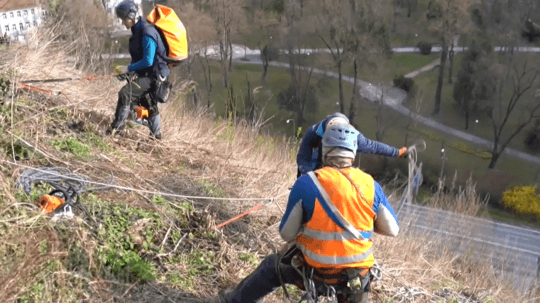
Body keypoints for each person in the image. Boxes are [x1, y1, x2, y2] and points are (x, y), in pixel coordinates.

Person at [218, 123, 400, 303]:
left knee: (271, 268)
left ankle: (233, 301)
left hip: (315, 273)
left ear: (325, 148)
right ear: (353, 152)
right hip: (356, 277)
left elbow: (286, 233)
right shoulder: (371, 186)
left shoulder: (307, 183)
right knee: (358, 289)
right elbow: (393, 230)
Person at [107, 0, 170, 139]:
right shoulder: (137, 31)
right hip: (148, 74)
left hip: (155, 76)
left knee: (125, 93)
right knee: (148, 103)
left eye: (123, 19)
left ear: (131, 16)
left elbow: (148, 60)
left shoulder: (147, 32)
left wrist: (128, 68)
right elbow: (139, 58)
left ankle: (116, 131)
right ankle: (156, 137)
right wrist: (128, 72)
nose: (123, 23)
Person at [296, 112, 408, 177]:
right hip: (321, 154)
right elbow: (303, 155)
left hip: (342, 165)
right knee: (312, 167)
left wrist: (396, 152)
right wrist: (306, 175)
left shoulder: (353, 136)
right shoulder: (314, 132)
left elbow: (374, 147)